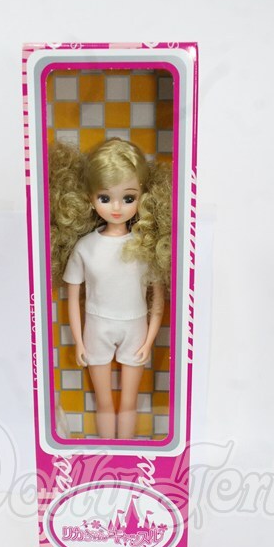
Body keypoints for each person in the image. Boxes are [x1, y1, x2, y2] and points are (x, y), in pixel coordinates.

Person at [49, 138, 172, 439]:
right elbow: (72, 298)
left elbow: (158, 298)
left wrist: (150, 339)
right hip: (97, 326)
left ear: (143, 197)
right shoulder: (85, 248)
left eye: (128, 198)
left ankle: (126, 457)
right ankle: (106, 454)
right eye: (105, 197)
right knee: (104, 403)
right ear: (90, 199)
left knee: (129, 403)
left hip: (135, 326)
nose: (116, 207)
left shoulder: (146, 247)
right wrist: (79, 342)